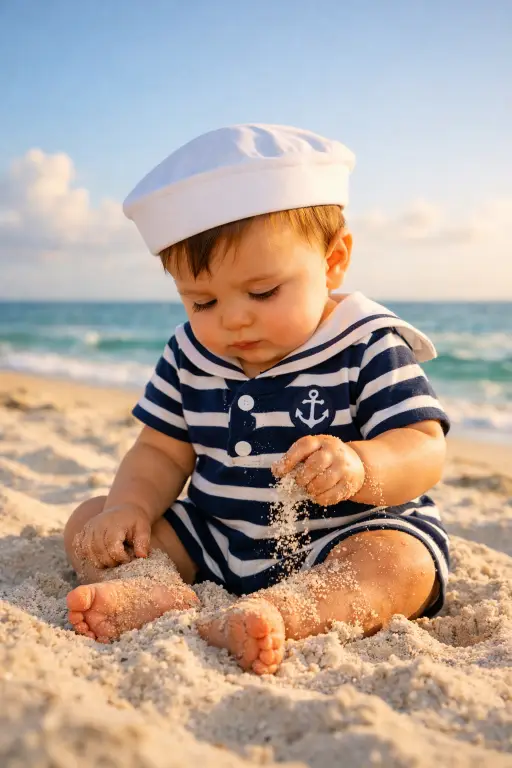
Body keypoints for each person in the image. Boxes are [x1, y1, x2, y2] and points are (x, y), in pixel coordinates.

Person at [64, 124, 450, 675]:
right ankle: (151, 588)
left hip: (340, 537)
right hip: (216, 536)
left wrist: (362, 465)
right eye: (202, 301)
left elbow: (422, 445)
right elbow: (160, 453)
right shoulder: (190, 354)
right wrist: (130, 507)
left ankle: (288, 611)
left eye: (263, 292)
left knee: (401, 564)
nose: (233, 318)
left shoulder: (365, 344)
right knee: (90, 521)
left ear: (333, 260)